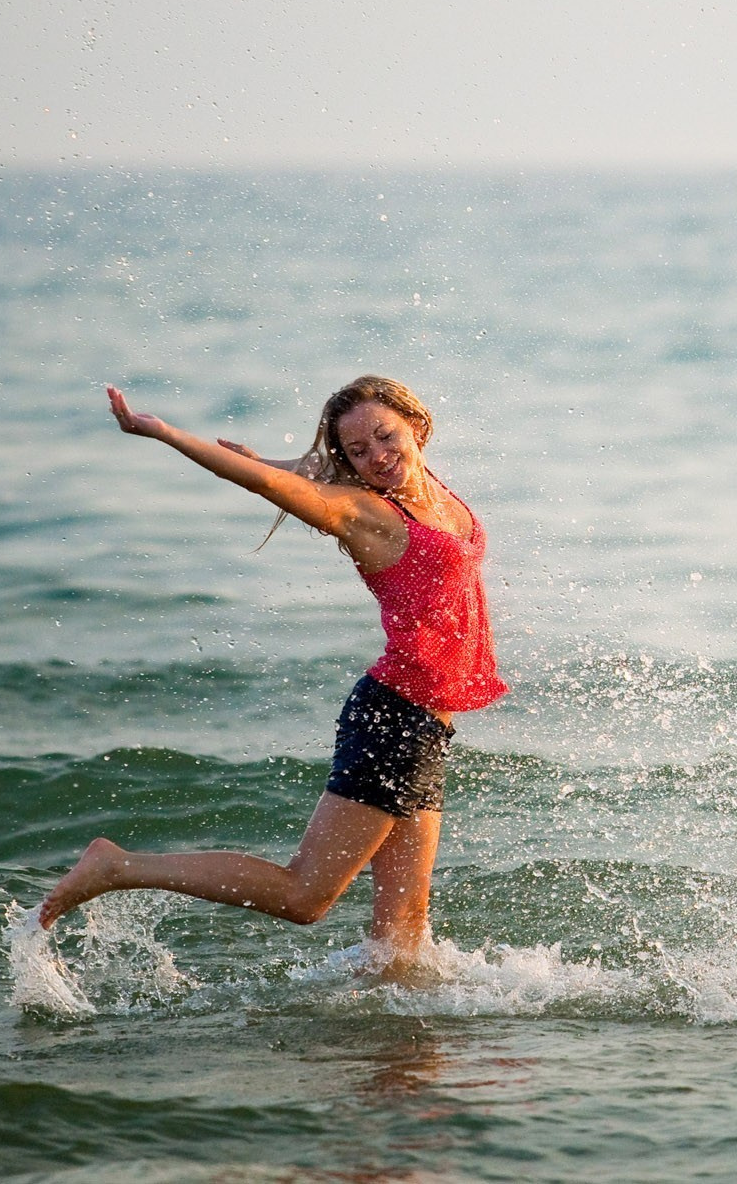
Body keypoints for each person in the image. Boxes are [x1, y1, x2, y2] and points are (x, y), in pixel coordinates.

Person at [39, 375, 507, 976]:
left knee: (402, 940)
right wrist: (162, 433)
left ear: (416, 425)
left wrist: (279, 457)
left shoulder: (425, 488)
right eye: (359, 452)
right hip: (394, 721)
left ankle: (400, 1061)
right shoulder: (366, 512)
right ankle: (119, 867)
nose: (377, 457)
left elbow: (305, 463)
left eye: (385, 438)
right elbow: (267, 482)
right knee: (305, 895)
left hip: (425, 727)